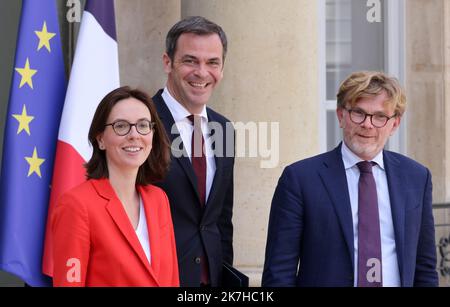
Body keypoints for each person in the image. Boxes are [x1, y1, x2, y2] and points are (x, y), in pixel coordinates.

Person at [262, 71, 438, 287]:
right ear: (341, 116)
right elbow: (279, 272)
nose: (368, 124)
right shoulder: (300, 179)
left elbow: (425, 268)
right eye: (358, 113)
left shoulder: (416, 178)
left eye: (380, 116)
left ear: (394, 124)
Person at [50, 86, 179, 286]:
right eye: (121, 126)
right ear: (101, 139)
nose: (134, 135)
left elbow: (171, 280)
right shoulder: (76, 205)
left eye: (143, 125)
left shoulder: (158, 199)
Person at [152, 16, 235, 287]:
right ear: (168, 62)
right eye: (190, 60)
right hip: (157, 277)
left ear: (222, 69)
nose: (202, 72)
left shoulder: (224, 129)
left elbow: (221, 219)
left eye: (212, 62)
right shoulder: (142, 122)